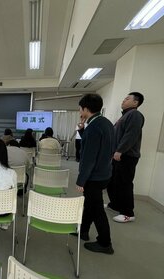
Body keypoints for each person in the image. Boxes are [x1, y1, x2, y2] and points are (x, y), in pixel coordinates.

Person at [75, 93, 114, 254]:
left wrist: (81, 180)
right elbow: (100, 147)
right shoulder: (105, 123)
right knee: (90, 205)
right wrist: (83, 131)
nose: (79, 111)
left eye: (80, 108)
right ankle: (83, 231)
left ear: (86, 108)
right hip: (104, 172)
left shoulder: (94, 127)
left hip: (94, 176)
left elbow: (88, 158)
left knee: (97, 209)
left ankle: (105, 243)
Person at [106, 92, 145, 223]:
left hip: (127, 156)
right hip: (118, 155)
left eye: (127, 99)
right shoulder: (125, 116)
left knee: (124, 183)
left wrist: (120, 151)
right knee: (113, 182)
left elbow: (131, 135)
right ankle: (115, 204)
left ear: (136, 103)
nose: (123, 100)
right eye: (124, 98)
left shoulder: (135, 115)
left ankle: (128, 213)